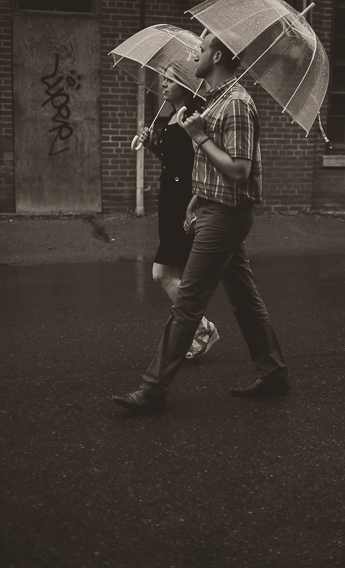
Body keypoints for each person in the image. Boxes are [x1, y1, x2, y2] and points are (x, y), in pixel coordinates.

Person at [113, 31, 288, 413]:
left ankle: (153, 389)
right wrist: (196, 199)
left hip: (226, 216)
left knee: (188, 302)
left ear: (219, 54)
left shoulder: (237, 104)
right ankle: (273, 373)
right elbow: (214, 166)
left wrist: (199, 137)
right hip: (211, 207)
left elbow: (240, 170)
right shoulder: (216, 99)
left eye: (203, 48)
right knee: (244, 297)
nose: (197, 55)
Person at [137, 73, 218, 360]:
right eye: (163, 79)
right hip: (168, 201)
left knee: (161, 273)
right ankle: (194, 334)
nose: (163, 84)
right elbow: (174, 162)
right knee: (176, 272)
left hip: (185, 202)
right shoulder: (171, 117)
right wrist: (151, 147)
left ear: (184, 84)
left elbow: (204, 165)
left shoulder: (194, 118)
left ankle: (202, 327)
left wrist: (194, 205)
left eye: (170, 79)